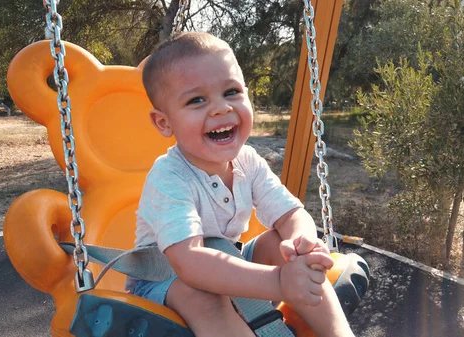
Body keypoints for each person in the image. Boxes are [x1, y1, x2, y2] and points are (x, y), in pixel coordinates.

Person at [127, 31, 353, 337]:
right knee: (201, 296)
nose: (221, 108)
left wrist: (302, 245)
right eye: (196, 100)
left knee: (282, 246)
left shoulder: (249, 160)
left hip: (227, 262)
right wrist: (278, 281)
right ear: (164, 123)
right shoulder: (169, 177)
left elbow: (290, 214)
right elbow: (190, 262)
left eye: (231, 92)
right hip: (163, 281)